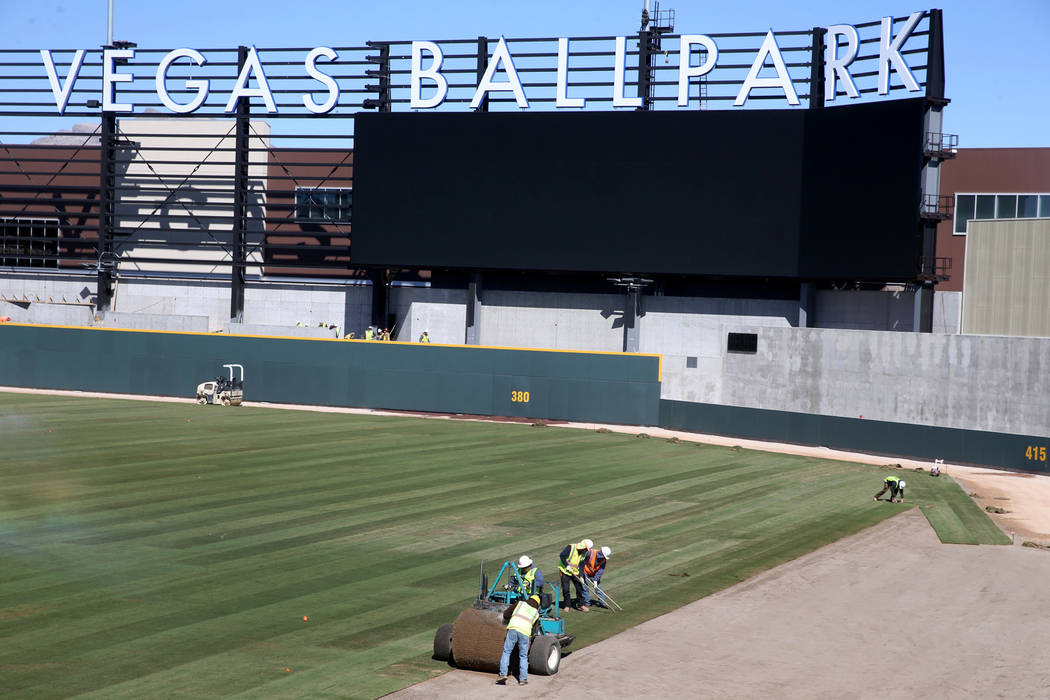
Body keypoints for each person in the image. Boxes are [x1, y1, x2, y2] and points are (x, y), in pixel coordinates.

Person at [496, 594, 541, 686]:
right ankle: (523, 679)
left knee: (507, 652)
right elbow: (533, 629)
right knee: (523, 656)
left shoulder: (520, 604)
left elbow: (506, 614)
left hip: (513, 628)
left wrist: (507, 619)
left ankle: (503, 674)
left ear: (529, 600)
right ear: (537, 605)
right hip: (525, 633)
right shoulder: (536, 613)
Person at [558, 538, 592, 612]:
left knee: (579, 588)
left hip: (575, 572)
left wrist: (581, 576)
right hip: (565, 571)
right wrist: (567, 565)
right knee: (566, 589)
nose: (586, 550)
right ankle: (567, 605)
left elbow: (582, 564)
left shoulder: (584, 553)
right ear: (583, 547)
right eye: (586, 549)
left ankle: (581, 605)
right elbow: (562, 556)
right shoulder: (571, 547)